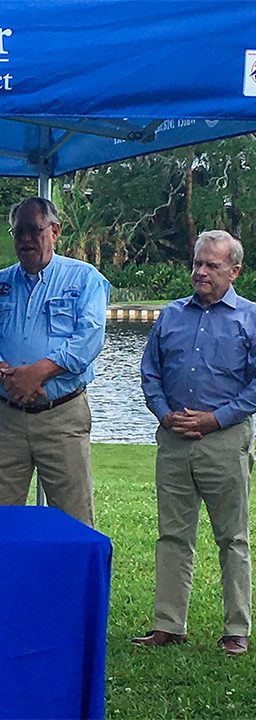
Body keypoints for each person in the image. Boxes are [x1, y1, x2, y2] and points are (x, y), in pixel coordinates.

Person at [133, 230, 255, 656]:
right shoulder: (170, 315)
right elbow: (150, 371)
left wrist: (214, 419)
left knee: (232, 538)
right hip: (173, 441)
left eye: (211, 265)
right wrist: (164, 413)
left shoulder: (250, 318)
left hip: (224, 440)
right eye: (197, 263)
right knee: (172, 535)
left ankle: (236, 628)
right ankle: (169, 624)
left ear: (234, 270)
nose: (200, 272)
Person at [0, 197, 108, 527]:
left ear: (54, 231)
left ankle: (69, 581)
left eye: (34, 230)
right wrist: (5, 375)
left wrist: (37, 373)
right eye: (18, 232)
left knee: (73, 522)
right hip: (5, 418)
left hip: (62, 417)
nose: (26, 239)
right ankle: (3, 580)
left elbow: (88, 339)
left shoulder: (85, 279)